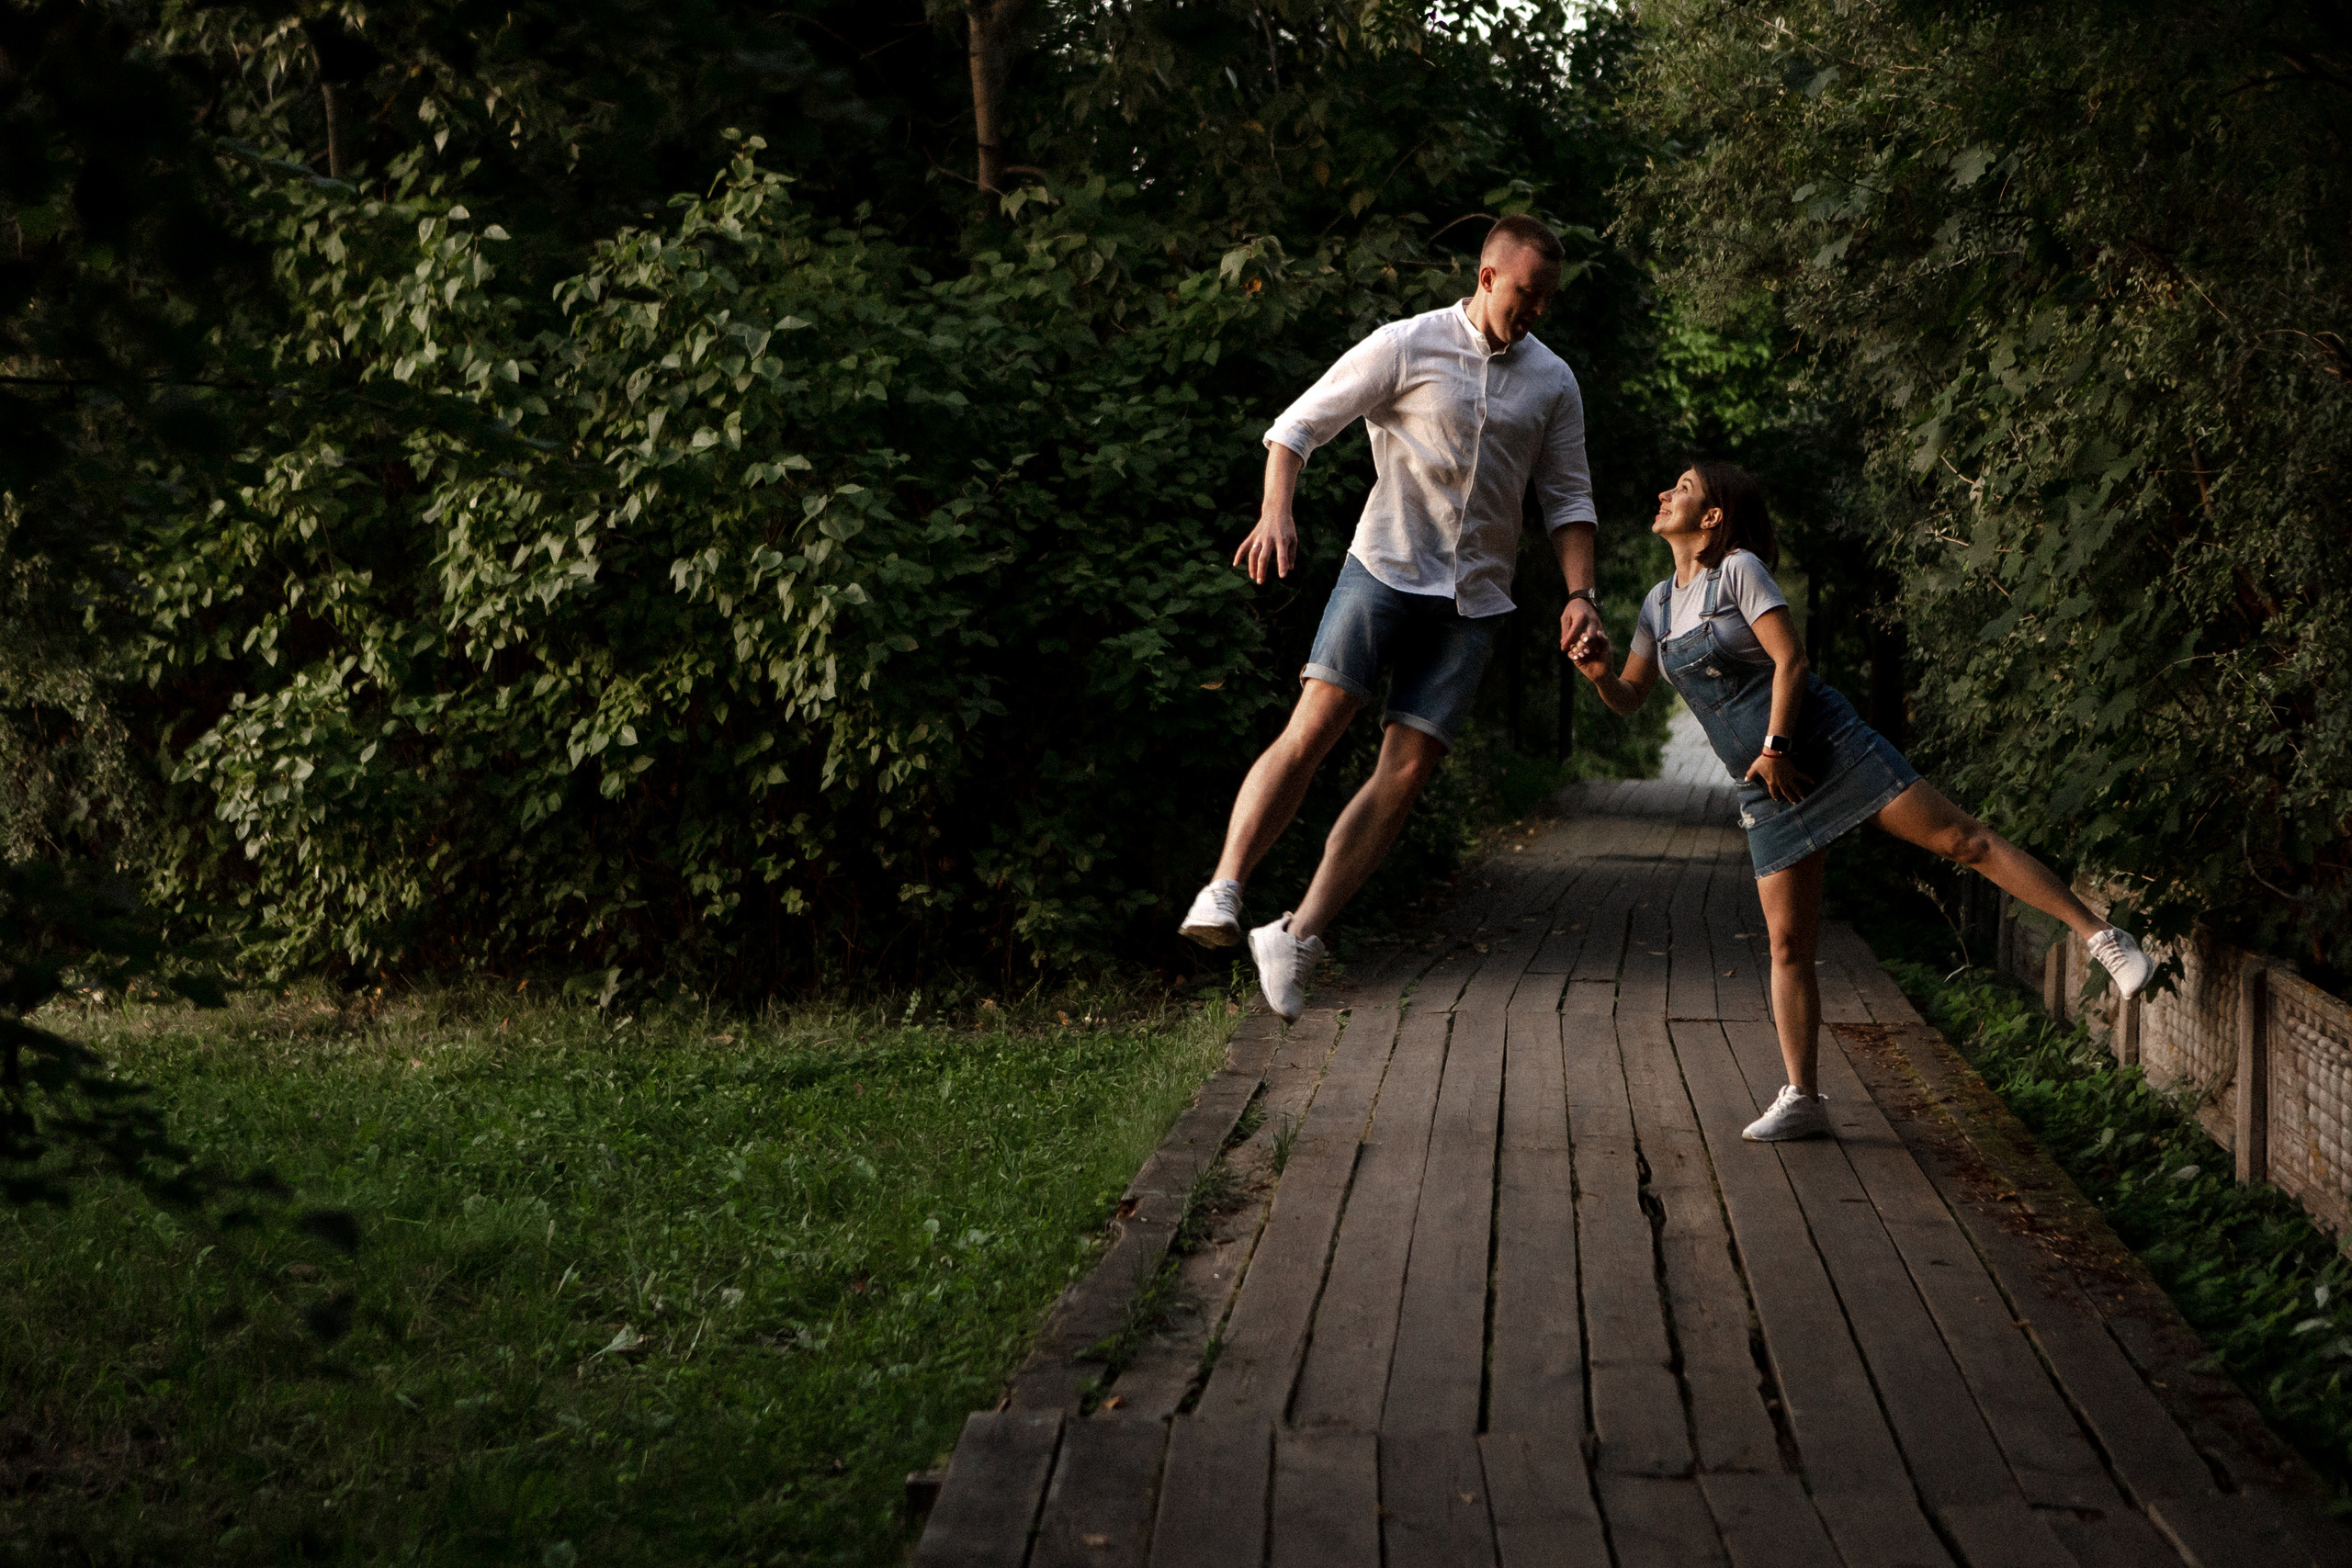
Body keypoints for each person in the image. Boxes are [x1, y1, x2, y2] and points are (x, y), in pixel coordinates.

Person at [1570, 461, 2156, 1141]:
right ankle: (1803, 1097)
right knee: (1788, 941)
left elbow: (1792, 661)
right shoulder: (1656, 605)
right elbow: (1631, 699)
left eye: (1684, 488)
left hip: (1819, 743)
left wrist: (1780, 743)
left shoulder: (1740, 571)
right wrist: (1598, 675)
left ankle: (2104, 938)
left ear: (1713, 518)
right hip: (1764, 784)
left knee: (1961, 840)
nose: (1665, 492)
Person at [1176, 214, 1606, 1021]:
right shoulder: (1408, 343)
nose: (1539, 308)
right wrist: (1278, 513)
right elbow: (1296, 427)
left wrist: (1581, 595)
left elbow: (1570, 499)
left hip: (1474, 602)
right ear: (1486, 278)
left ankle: (1297, 932)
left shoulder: (1553, 382)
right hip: (1385, 570)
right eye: (1528, 292)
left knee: (1406, 775)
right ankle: (1224, 887)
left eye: (1550, 297)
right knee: (1318, 724)